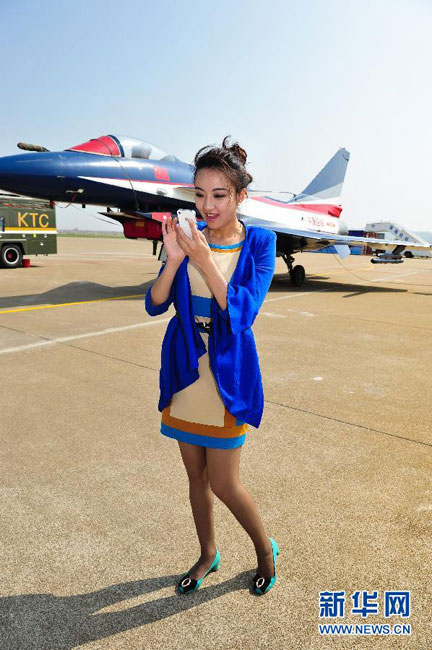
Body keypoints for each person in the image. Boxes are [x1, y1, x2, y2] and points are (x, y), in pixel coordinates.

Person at [144, 136, 280, 595]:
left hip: (227, 375)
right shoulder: (188, 236)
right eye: (200, 194)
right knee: (195, 477)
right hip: (186, 368)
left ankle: (264, 550)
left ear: (241, 196)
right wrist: (175, 260)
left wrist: (204, 261)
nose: (207, 206)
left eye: (219, 195)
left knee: (224, 482)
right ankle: (208, 553)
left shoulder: (260, 243)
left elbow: (242, 314)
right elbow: (155, 303)